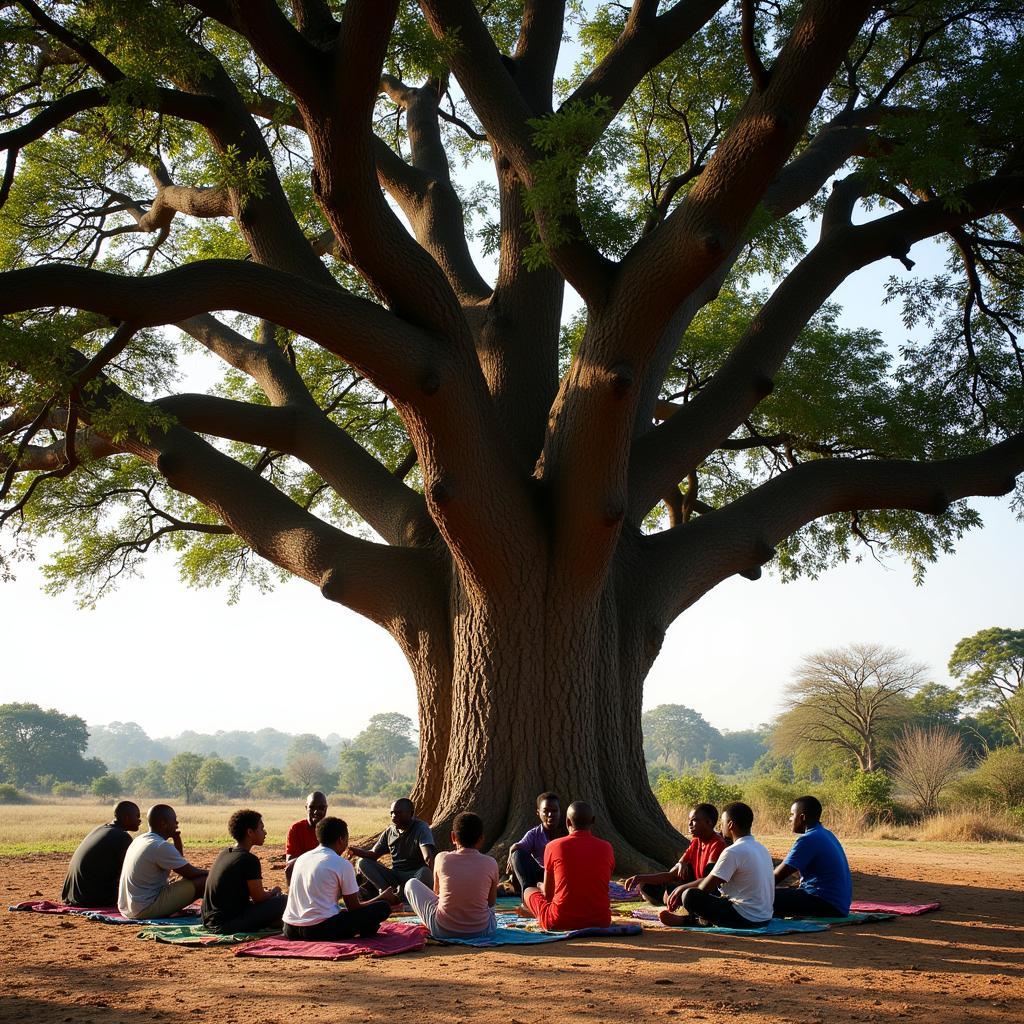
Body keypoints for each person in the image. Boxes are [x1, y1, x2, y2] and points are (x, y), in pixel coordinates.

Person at [282, 816, 399, 941]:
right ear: (341, 840)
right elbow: (354, 907)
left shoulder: (302, 859)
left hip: (290, 929)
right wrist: (383, 897)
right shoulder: (342, 864)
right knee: (383, 907)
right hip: (318, 930)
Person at [660, 801, 773, 929]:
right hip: (765, 918)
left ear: (730, 825)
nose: (720, 827)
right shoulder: (761, 848)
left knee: (689, 895)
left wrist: (682, 888)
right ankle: (695, 919)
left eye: (722, 823)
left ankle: (692, 920)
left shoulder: (733, 851)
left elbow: (705, 887)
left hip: (745, 918)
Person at [519, 800, 614, 932]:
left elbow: (548, 895)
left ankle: (538, 912)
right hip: (600, 920)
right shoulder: (607, 848)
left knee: (528, 891)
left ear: (568, 822)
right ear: (593, 821)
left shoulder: (553, 846)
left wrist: (540, 885)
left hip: (559, 921)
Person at [405, 811, 499, 939]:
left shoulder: (441, 858)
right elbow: (491, 903)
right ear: (481, 839)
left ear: (453, 837)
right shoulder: (491, 863)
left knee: (411, 884)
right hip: (483, 930)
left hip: (443, 930)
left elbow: (437, 893)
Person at [623, 802, 726, 907]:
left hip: (706, 891)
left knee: (685, 894)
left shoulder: (717, 844)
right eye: (689, 820)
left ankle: (679, 906)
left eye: (694, 820)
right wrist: (640, 878)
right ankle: (672, 901)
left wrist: (680, 888)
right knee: (645, 885)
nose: (689, 824)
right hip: (692, 886)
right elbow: (671, 875)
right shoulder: (696, 841)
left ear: (708, 822)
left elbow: (709, 881)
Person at [117, 804, 208, 921]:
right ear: (163, 823)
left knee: (186, 880)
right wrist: (215, 873)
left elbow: (179, 861)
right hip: (145, 909)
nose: (177, 823)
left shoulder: (141, 839)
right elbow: (190, 873)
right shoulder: (160, 846)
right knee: (206, 881)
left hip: (128, 908)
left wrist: (176, 839)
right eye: (174, 820)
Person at [202, 809, 286, 934]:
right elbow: (258, 898)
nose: (265, 832)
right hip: (226, 924)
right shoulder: (249, 860)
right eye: (261, 828)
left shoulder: (225, 852)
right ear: (250, 832)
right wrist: (273, 892)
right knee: (284, 901)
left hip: (208, 920)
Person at [773, 795, 852, 918]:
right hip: (839, 905)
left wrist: (752, 889)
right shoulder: (826, 834)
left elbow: (777, 876)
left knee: (764, 898)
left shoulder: (808, 839)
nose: (790, 819)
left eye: (792, 815)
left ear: (802, 817)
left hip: (827, 905)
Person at [350, 798, 436, 897]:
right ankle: (388, 894)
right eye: (392, 813)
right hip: (395, 875)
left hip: (415, 875)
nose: (394, 816)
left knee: (425, 872)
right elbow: (374, 854)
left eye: (398, 813)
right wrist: (354, 851)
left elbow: (428, 857)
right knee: (363, 862)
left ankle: (406, 896)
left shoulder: (421, 828)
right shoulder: (390, 831)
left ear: (411, 813)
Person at [62, 801, 142, 907]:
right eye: (137, 816)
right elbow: (132, 872)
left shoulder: (101, 829)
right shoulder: (121, 837)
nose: (140, 821)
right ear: (126, 817)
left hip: (72, 895)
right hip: (90, 899)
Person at [505, 792, 566, 895]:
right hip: (540, 876)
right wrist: (511, 856)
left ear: (560, 812)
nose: (550, 815)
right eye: (546, 811)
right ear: (538, 813)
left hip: (561, 876)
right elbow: (517, 847)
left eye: (554, 811)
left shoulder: (567, 832)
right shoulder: (534, 834)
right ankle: (528, 896)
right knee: (517, 854)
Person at [284, 791, 328, 884]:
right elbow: (290, 862)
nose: (316, 812)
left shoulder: (332, 828)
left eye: (321, 808)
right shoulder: (297, 829)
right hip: (305, 874)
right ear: (306, 808)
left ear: (326, 809)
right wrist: (315, 858)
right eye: (312, 807)